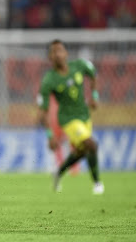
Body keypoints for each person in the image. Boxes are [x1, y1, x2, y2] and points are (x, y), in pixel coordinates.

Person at [37, 39, 103, 195]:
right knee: (91, 145)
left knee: (81, 151)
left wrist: (94, 96)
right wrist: (49, 135)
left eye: (60, 50)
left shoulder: (79, 66)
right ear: (50, 57)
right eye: (54, 52)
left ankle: (59, 172)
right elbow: (42, 111)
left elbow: (93, 73)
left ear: (66, 53)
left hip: (84, 116)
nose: (58, 54)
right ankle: (97, 184)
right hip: (68, 120)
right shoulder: (49, 80)